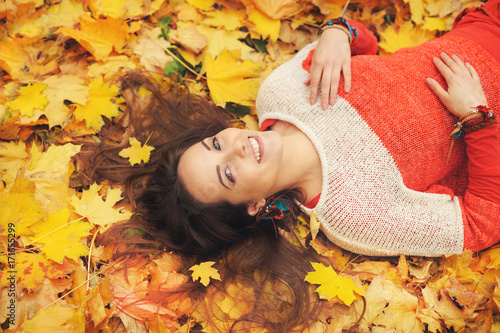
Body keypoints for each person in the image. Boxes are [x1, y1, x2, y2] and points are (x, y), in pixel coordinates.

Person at [89, 1, 500, 331]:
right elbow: (484, 220)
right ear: (254, 206)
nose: (237, 147)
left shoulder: (280, 91)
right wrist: (478, 118)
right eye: (228, 174)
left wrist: (338, 33)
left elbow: (369, 49)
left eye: (216, 144)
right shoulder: (354, 214)